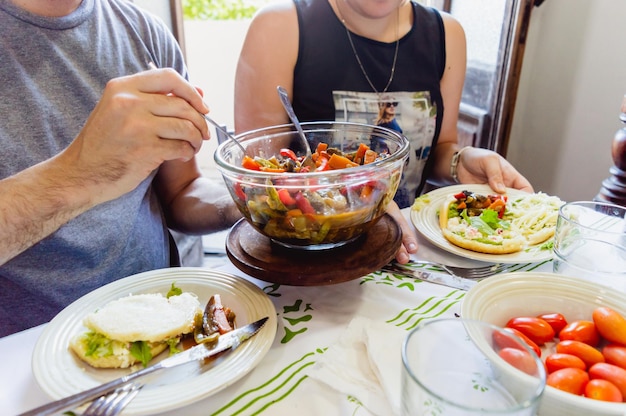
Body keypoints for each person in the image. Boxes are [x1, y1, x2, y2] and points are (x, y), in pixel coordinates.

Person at [0, 0, 241, 337]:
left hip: (169, 324)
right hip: (25, 352)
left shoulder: (144, 33)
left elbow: (181, 192)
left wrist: (246, 200)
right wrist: (80, 173)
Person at [234, 0, 534, 263]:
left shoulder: (447, 34)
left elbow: (438, 147)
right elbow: (257, 182)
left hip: (406, 251)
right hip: (304, 257)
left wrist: (461, 160)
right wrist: (364, 206)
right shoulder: (278, 27)